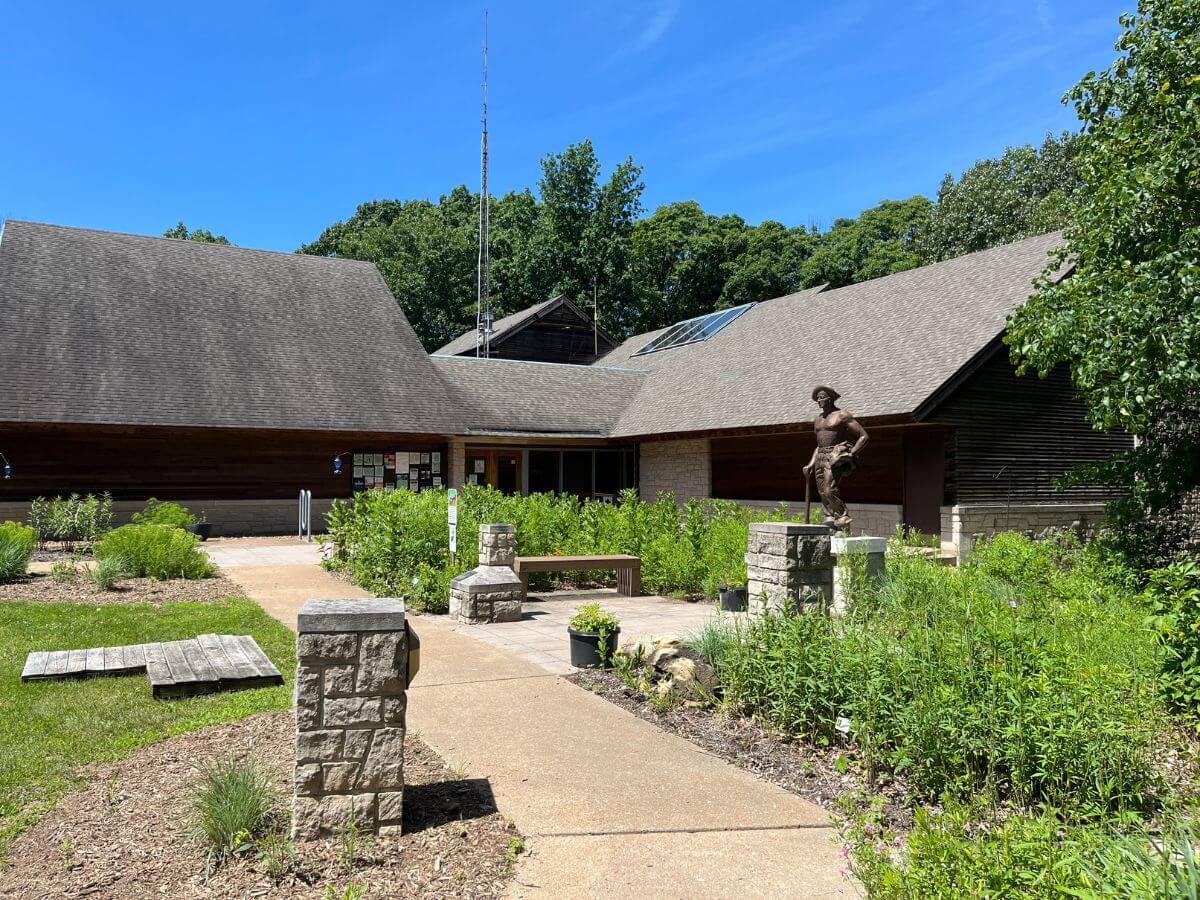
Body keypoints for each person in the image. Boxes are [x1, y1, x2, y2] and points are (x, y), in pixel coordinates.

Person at [802, 385, 869, 530]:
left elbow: (864, 436)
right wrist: (810, 464)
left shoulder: (842, 415)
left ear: (830, 398)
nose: (819, 401)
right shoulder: (818, 419)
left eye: (821, 397)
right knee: (822, 491)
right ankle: (830, 519)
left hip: (834, 456)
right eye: (817, 398)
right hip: (820, 456)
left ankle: (843, 518)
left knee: (829, 489)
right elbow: (818, 446)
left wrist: (850, 455)